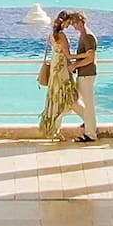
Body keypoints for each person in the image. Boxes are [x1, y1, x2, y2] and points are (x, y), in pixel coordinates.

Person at [37, 12, 80, 141]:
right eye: (68, 22)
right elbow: (68, 56)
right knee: (65, 99)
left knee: (55, 98)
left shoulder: (52, 35)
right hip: (61, 70)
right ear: (64, 22)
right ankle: (56, 127)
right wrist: (84, 56)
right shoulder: (62, 36)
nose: (69, 25)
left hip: (55, 69)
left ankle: (54, 129)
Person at [69, 10, 99, 141]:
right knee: (73, 100)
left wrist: (75, 65)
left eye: (75, 23)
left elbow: (90, 58)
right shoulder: (83, 35)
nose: (73, 26)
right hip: (84, 74)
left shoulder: (87, 36)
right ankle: (88, 123)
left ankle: (91, 133)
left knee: (87, 103)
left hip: (87, 74)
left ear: (81, 22)